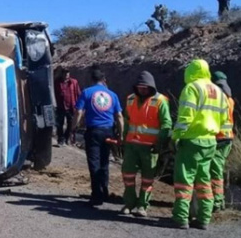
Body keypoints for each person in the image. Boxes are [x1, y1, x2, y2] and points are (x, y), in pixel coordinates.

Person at [171, 60, 229, 230]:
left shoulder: (192, 88)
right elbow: (224, 120)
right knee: (204, 180)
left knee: (184, 180)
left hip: (191, 141)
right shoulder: (219, 92)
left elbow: (185, 116)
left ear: (190, 71)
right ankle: (204, 218)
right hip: (210, 141)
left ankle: (181, 217)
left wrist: (176, 136)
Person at [120, 71, 172, 217]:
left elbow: (166, 124)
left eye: (145, 87)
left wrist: (159, 143)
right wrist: (124, 140)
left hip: (149, 148)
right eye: (139, 87)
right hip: (131, 145)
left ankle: (142, 205)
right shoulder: (130, 99)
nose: (142, 90)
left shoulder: (160, 101)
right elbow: (127, 121)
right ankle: (129, 203)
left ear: (151, 87)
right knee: (128, 175)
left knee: (147, 178)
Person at [71, 69, 124, 206]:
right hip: (108, 131)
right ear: (104, 80)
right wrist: (121, 134)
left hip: (93, 131)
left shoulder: (87, 92)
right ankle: (104, 191)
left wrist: (73, 128)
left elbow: (78, 112)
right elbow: (119, 116)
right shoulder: (112, 95)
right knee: (104, 162)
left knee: (94, 162)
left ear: (92, 80)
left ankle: (97, 195)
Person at [211, 71, 235, 212]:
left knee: (215, 171)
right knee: (217, 170)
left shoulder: (217, 98)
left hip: (219, 139)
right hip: (227, 138)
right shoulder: (229, 98)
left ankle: (218, 203)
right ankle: (218, 201)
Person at [55, 68, 82, 146]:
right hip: (60, 106)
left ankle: (67, 138)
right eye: (65, 74)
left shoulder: (74, 82)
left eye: (68, 74)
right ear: (62, 74)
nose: (66, 75)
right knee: (59, 124)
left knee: (70, 123)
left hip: (71, 107)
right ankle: (60, 139)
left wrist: (79, 104)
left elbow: (78, 93)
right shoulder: (57, 82)